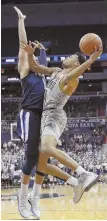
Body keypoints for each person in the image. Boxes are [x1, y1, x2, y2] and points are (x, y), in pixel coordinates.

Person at [14, 7, 84, 219]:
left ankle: (36, 198)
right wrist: (21, 21)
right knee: (33, 156)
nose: (33, 49)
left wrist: (41, 50)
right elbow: (22, 46)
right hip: (29, 114)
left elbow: (47, 66)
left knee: (42, 160)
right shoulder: (26, 69)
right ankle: (23, 198)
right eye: (32, 50)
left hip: (44, 117)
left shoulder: (45, 74)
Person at [24, 41, 102, 218]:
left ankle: (83, 173)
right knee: (40, 164)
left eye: (71, 57)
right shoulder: (56, 71)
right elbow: (34, 67)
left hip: (54, 116)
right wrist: (30, 53)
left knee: (45, 149)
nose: (66, 57)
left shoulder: (71, 80)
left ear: (76, 64)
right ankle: (74, 183)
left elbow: (75, 74)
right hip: (43, 116)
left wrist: (90, 60)